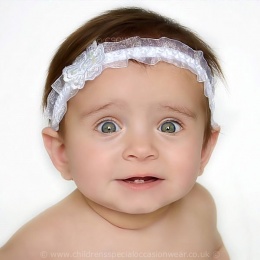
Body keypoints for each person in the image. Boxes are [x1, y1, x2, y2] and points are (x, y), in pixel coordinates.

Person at [0, 7, 229, 260]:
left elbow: (215, 250)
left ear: (204, 149)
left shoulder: (200, 206)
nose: (141, 150)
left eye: (169, 126)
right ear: (62, 153)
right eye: (108, 127)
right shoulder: (41, 246)